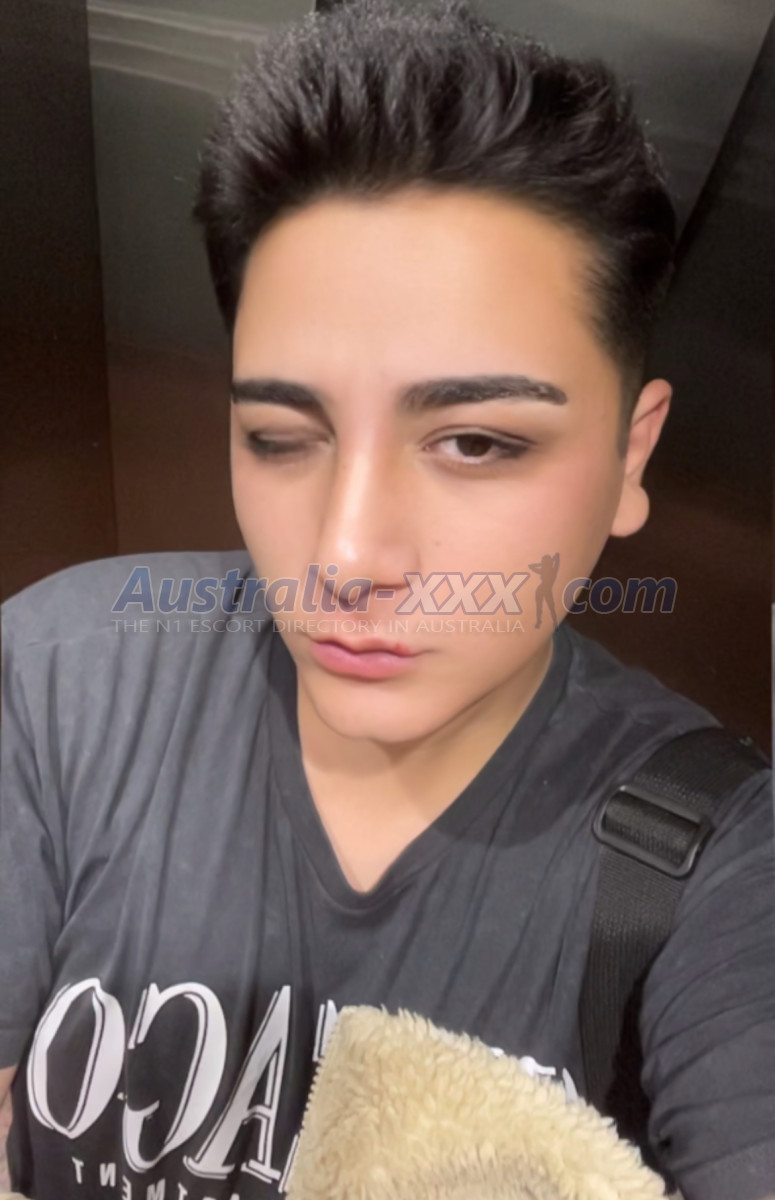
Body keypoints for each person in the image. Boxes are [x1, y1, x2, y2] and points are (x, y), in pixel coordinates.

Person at [0, 2, 773, 1198]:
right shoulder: (59, 682)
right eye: (280, 435)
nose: (347, 554)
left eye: (475, 442)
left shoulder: (722, 859)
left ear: (631, 455)